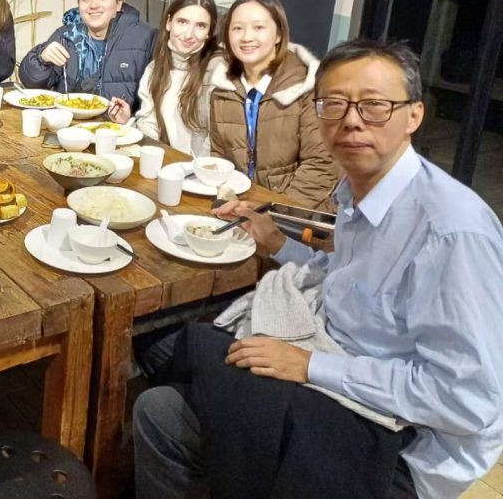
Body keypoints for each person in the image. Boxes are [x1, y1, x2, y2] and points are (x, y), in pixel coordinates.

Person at [133, 39, 503, 499]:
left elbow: (465, 400)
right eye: (335, 104)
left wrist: (310, 367)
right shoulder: (359, 191)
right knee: (161, 348)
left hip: (402, 444)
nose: (351, 120)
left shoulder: (452, 233)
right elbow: (347, 274)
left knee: (162, 406)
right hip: (339, 367)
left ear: (413, 115)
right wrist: (277, 243)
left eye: (374, 105)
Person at [209, 0, 337, 208]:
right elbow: (219, 158)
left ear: (278, 34)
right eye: (237, 28)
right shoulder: (222, 91)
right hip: (243, 208)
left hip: (297, 215)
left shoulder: (306, 87)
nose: (246, 37)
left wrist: (278, 213)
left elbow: (321, 163)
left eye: (258, 28)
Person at [19, 0, 156, 114]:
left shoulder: (144, 39)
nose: (93, 5)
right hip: (67, 127)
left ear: (118, 4)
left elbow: (155, 104)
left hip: (117, 131)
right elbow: (31, 84)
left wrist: (130, 120)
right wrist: (42, 59)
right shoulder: (66, 35)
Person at [118, 0, 223, 155]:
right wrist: (127, 122)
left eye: (200, 26)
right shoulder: (155, 69)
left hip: (200, 174)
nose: (189, 34)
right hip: (165, 165)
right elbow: (149, 125)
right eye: (182, 22)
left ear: (209, 32)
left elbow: (218, 143)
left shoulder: (218, 72)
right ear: (169, 23)